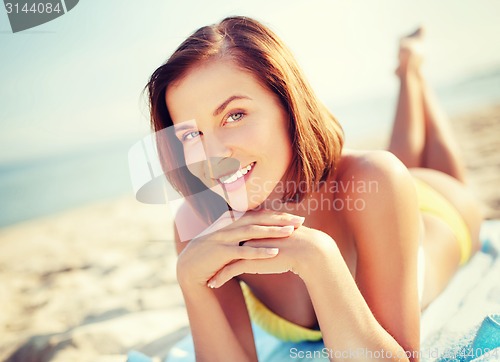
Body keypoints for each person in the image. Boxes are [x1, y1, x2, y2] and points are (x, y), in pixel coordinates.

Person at [146, 16, 483, 361]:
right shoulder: (199, 223)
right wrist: (191, 281)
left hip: (441, 209)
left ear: (287, 104)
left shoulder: (375, 180)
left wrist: (321, 262)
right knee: (396, 162)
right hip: (370, 191)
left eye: (234, 115)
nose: (213, 155)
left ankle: (412, 71)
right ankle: (408, 70)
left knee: (408, 168)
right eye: (191, 134)